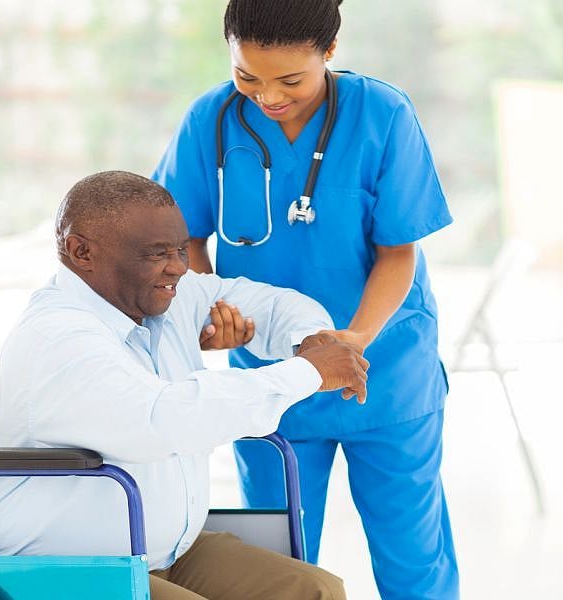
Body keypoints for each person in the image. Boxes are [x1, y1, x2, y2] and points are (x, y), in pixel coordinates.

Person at [151, 1, 459, 598]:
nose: (267, 96)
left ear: (330, 51)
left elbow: (399, 252)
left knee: (413, 557)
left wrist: (354, 340)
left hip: (388, 371)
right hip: (273, 380)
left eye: (290, 79)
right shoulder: (209, 121)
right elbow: (179, 235)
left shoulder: (383, 114)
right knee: (277, 559)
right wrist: (209, 306)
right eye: (248, 76)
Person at [0, 170, 369, 600]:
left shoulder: (163, 298)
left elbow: (270, 302)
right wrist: (309, 371)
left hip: (160, 552)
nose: (178, 266)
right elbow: (164, 418)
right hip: (52, 566)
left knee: (315, 590)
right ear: (82, 252)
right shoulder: (61, 338)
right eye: (156, 253)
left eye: (180, 249)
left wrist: (312, 340)